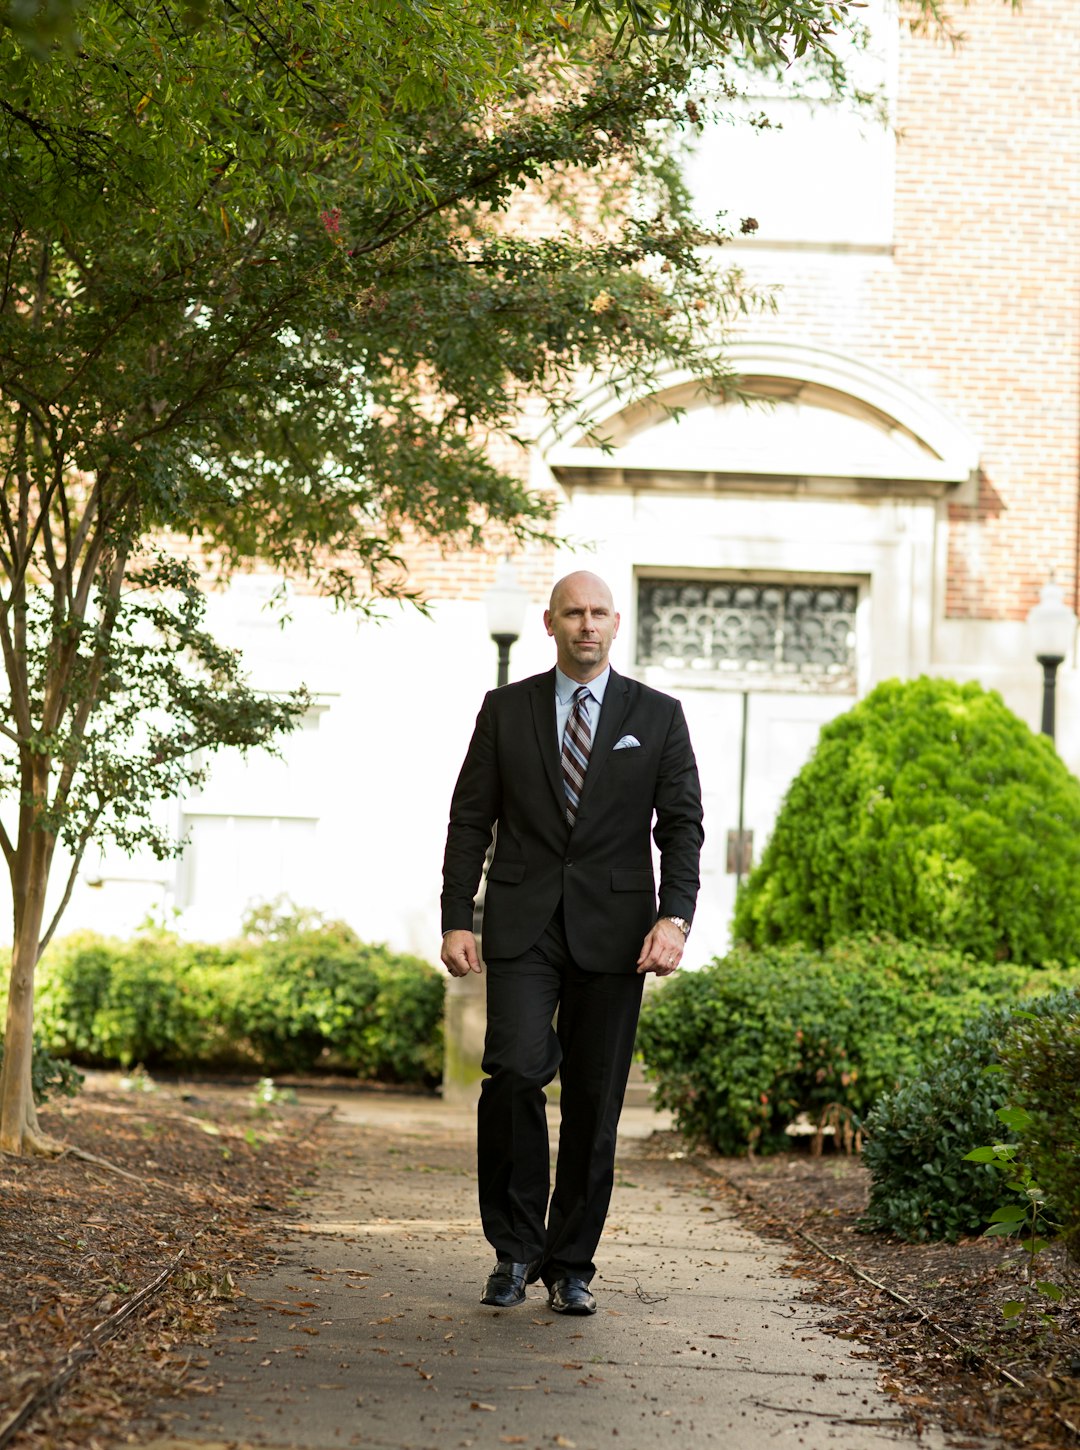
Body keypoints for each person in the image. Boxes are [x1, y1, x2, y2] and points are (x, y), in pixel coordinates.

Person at [440, 570, 704, 1316]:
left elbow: (681, 826)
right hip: (522, 926)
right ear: (549, 624)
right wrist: (457, 915)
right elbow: (469, 818)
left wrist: (673, 919)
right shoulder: (505, 710)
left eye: (597, 614)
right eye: (572, 614)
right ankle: (514, 1252)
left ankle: (572, 1263)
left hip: (619, 934)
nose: (586, 625)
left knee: (595, 1102)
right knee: (516, 1074)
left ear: (616, 623)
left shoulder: (657, 716)